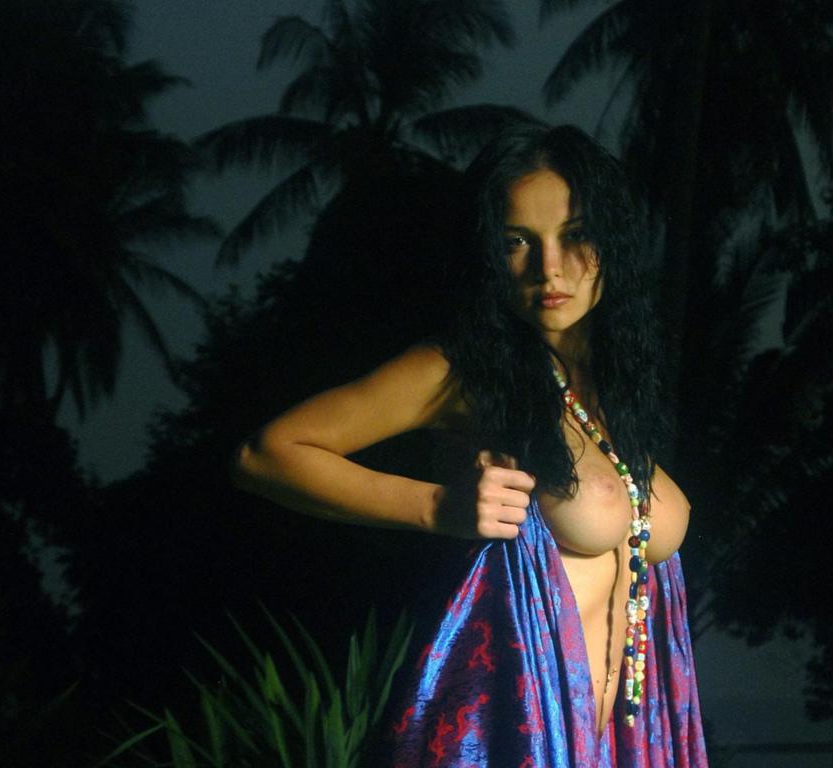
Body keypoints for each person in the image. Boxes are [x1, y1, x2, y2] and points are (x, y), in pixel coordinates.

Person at [232, 124, 707, 766]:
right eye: (518, 241)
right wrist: (439, 507)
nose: (549, 267)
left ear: (611, 242)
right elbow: (266, 454)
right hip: (513, 742)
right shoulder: (465, 371)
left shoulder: (615, 391)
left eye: (574, 234)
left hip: (620, 748)